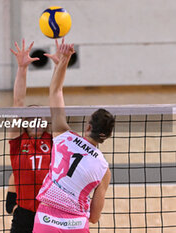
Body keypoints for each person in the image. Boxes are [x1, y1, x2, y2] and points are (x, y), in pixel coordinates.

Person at [33, 39, 115, 233]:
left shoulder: (63, 136)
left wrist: (63, 61)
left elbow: (55, 91)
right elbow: (94, 217)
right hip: (76, 225)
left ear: (88, 126)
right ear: (106, 136)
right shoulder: (104, 169)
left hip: (46, 219)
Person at [6, 39, 52, 233]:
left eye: (40, 116)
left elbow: (57, 95)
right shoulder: (18, 141)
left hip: (50, 212)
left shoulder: (53, 140)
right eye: (30, 116)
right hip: (24, 213)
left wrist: (60, 65)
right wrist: (22, 68)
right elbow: (18, 101)